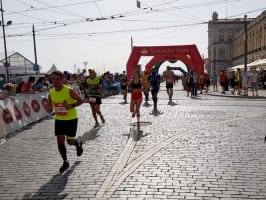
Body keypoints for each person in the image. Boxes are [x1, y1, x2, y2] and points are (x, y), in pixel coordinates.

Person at [44, 71, 83, 173]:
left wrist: (70, 106)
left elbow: (80, 100)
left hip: (71, 119)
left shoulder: (68, 90)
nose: (55, 81)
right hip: (59, 119)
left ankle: (77, 144)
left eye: (57, 79)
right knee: (60, 140)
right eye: (53, 79)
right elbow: (49, 108)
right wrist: (47, 108)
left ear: (62, 80)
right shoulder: (51, 93)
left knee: (70, 142)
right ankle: (65, 161)